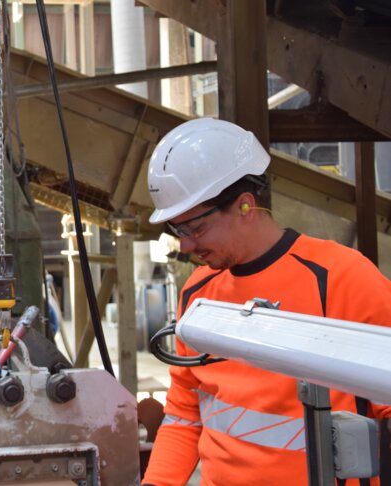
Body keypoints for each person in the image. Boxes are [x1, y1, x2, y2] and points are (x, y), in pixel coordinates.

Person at [142, 117, 391, 486]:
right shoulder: (198, 292)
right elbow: (184, 413)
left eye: (195, 229)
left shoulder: (341, 278)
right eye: (178, 231)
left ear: (244, 206)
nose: (187, 246)